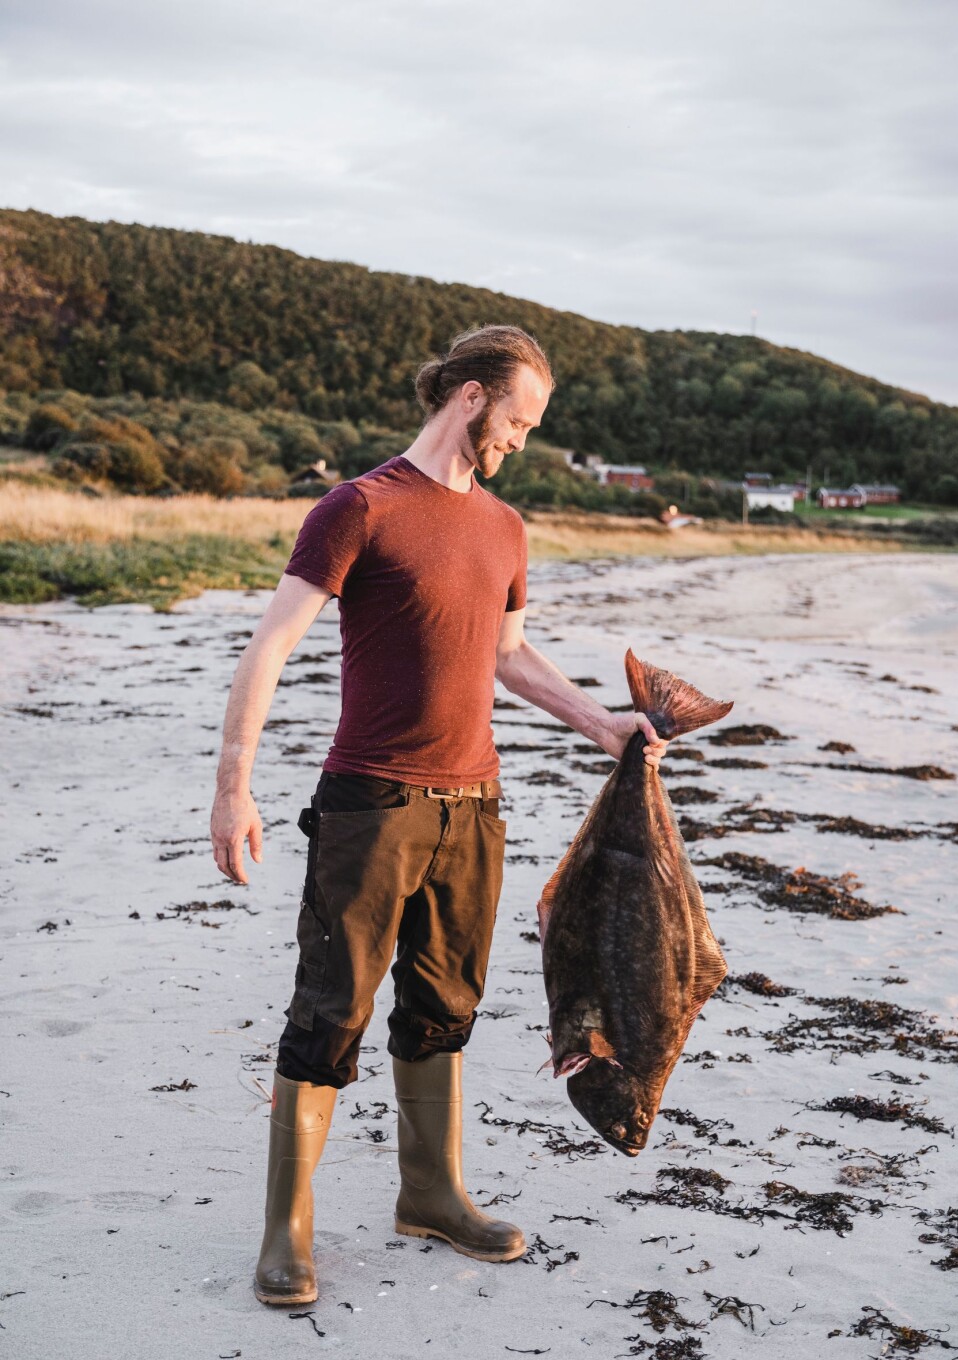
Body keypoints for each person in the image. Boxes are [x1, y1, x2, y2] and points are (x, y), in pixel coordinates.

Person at [209, 324, 669, 1306]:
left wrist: (603, 724)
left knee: (446, 1007)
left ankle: (430, 1194)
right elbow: (270, 650)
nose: (523, 439)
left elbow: (506, 653)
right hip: (370, 803)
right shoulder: (357, 508)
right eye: (518, 418)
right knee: (330, 1012)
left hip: (475, 807)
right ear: (468, 394)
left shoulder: (504, 527)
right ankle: (285, 1235)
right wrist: (232, 786)